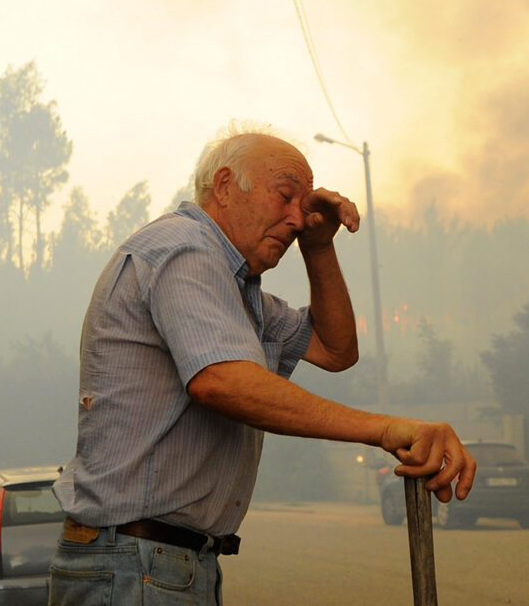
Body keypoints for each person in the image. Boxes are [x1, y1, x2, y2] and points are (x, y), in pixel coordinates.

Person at [49, 123, 476, 604]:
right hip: (137, 563)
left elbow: (337, 351)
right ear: (226, 186)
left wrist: (319, 246)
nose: (297, 219)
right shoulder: (185, 249)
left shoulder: (239, 296)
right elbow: (222, 382)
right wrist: (386, 428)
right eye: (285, 196)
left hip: (157, 563)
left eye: (304, 205)